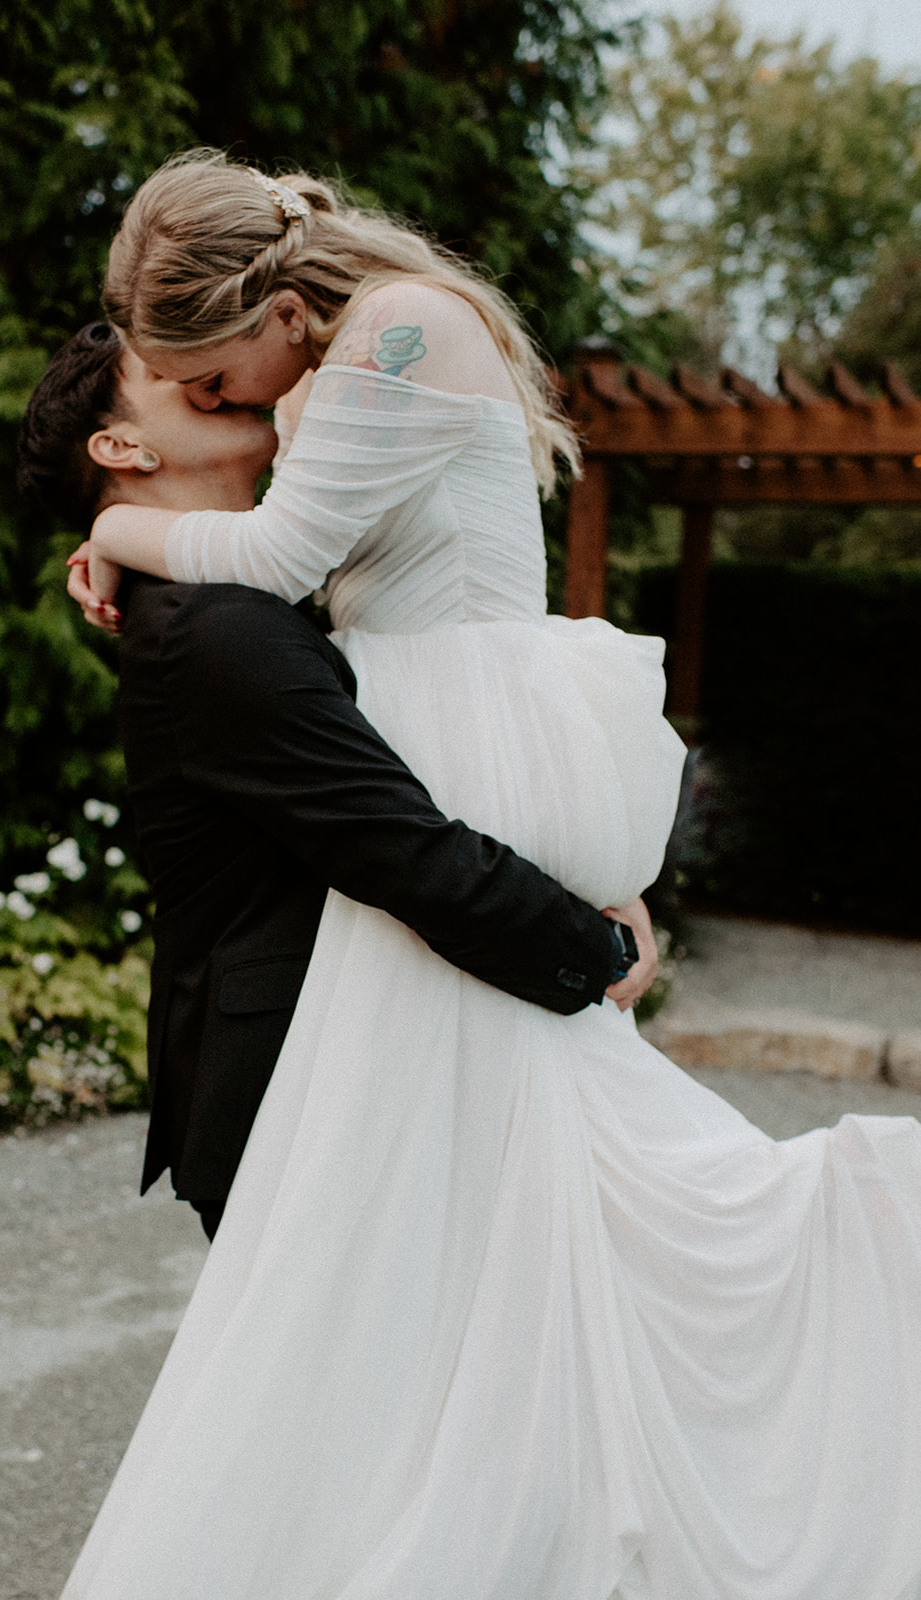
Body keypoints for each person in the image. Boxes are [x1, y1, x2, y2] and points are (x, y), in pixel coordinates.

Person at [61, 153, 921, 1600]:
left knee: (542, 1185)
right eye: (204, 396)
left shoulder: (398, 329)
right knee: (505, 1205)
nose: (239, 405)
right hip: (432, 766)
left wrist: (114, 529)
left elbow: (278, 554)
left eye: (222, 374)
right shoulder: (331, 373)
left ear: (275, 301)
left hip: (454, 736)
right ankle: (528, 1502)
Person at [18, 321, 655, 1240]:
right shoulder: (212, 631)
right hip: (292, 1100)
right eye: (169, 371)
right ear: (121, 445)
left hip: (338, 1082)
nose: (211, 375)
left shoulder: (250, 597)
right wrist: (598, 954)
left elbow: (427, 772)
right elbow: (400, 846)